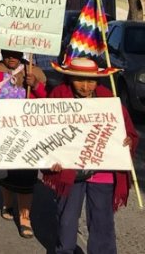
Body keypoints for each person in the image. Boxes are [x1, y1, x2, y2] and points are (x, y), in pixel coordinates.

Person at [44, 58, 138, 254]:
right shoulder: (58, 97)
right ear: (69, 78)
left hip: (103, 171)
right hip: (69, 170)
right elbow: (45, 135)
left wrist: (127, 140)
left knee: (102, 219)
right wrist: (50, 160)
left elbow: (128, 131)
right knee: (67, 218)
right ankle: (65, 250)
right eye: (79, 80)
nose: (85, 86)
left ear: (98, 81)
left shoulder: (108, 100)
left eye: (91, 81)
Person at [0, 49, 47, 239]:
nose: (11, 58)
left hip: (28, 133)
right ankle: (7, 203)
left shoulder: (34, 72)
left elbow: (47, 102)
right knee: (4, 174)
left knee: (26, 176)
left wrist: (36, 86)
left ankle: (25, 218)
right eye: (7, 54)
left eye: (15, 54)